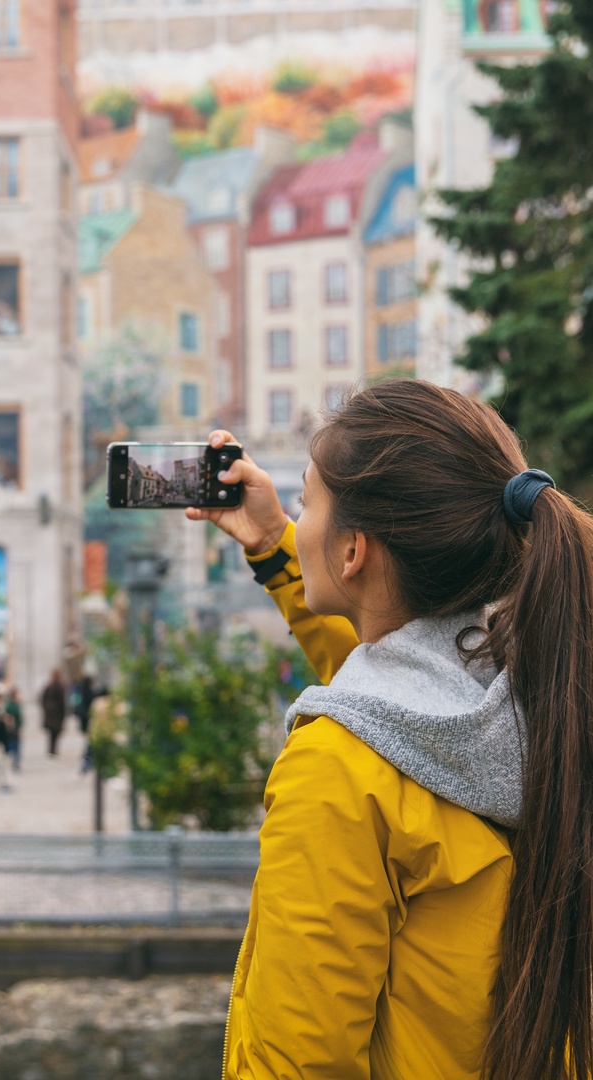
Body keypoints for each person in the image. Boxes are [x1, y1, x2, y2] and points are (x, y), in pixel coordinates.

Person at [189, 379, 593, 1079]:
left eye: (308, 503)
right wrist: (274, 545)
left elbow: (296, 1066)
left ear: (353, 554)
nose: (300, 519)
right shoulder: (544, 689)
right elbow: (400, 687)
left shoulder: (337, 771)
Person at [39, 670, 67, 757]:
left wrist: (46, 709)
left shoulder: (49, 687)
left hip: (50, 714)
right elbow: (62, 702)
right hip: (56, 714)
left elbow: (42, 699)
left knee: (52, 734)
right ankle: (53, 750)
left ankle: (51, 749)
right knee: (55, 733)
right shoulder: (59, 687)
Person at [4, 686, 23, 772]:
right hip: (12, 730)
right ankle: (14, 763)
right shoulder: (11, 706)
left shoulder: (16, 705)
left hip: (16, 729)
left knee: (16, 748)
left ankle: (15, 763)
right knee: (14, 747)